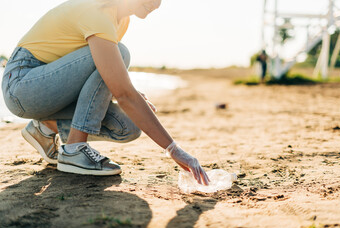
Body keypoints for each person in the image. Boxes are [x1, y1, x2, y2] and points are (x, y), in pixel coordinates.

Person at [2, 0, 209, 185]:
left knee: (129, 126)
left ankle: (45, 128)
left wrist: (129, 91)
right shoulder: (97, 11)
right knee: (121, 52)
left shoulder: (122, 20)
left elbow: (102, 74)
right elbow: (122, 93)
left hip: (50, 89)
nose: (158, 3)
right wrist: (173, 149)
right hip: (22, 85)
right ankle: (74, 149)